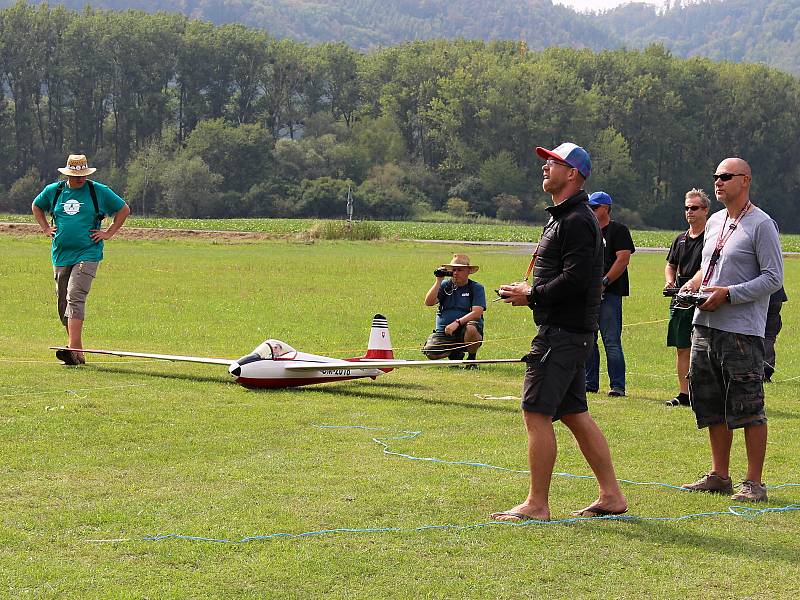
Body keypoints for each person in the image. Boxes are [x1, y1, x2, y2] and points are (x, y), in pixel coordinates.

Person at [491, 142, 627, 521]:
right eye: (546, 162)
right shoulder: (564, 216)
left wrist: (531, 294)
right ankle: (612, 496)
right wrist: (530, 294)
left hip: (562, 333)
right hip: (568, 331)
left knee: (535, 411)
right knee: (574, 413)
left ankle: (537, 504)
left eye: (554, 163)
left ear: (574, 173)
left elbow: (579, 278)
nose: (545, 168)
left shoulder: (576, 220)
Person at [680, 157, 782, 503]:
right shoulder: (715, 222)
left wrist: (730, 295)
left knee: (747, 405)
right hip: (704, 326)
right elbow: (708, 270)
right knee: (709, 402)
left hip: (741, 331)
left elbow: (773, 278)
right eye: (715, 177)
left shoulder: (762, 224)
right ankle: (719, 475)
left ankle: (754, 482)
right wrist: (688, 287)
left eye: (725, 176)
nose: (718, 182)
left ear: (746, 180)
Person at [32, 154, 130, 365]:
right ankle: (77, 351)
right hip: (60, 253)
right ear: (67, 174)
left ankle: (73, 348)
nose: (80, 179)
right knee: (62, 303)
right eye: (76, 175)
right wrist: (46, 228)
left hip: (88, 252)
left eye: (83, 175)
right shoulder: (54, 191)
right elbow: (36, 206)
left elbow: (123, 209)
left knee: (75, 294)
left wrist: (109, 232)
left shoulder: (98, 191)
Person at [584, 191, 635, 397]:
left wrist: (604, 282)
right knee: (588, 338)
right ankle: (590, 383)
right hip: (587, 294)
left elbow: (622, 259)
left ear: (605, 208)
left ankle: (617, 386)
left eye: (594, 207)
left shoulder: (618, 230)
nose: (590, 211)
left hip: (610, 293)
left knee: (611, 340)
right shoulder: (587, 231)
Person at [664, 189, 710, 406]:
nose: (689, 212)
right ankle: (684, 394)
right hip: (680, 298)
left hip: (704, 298)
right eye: (686, 208)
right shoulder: (680, 239)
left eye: (694, 208)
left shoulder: (712, 238)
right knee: (682, 346)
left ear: (705, 210)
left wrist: (694, 286)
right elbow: (670, 265)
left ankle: (704, 393)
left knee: (705, 348)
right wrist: (670, 281)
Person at [422, 254, 486, 367]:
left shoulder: (476, 288)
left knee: (471, 329)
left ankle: (471, 360)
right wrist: (438, 281)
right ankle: (455, 353)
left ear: (469, 271)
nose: (456, 273)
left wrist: (457, 323)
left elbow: (477, 312)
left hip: (466, 329)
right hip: (445, 331)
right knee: (431, 352)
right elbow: (429, 302)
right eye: (454, 270)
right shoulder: (445, 285)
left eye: (460, 270)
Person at [763, 286, 787, 382]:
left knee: (764, 335)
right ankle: (766, 370)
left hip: (760, 295)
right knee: (769, 335)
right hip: (776, 295)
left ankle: (763, 370)